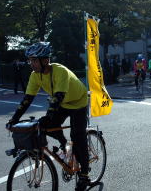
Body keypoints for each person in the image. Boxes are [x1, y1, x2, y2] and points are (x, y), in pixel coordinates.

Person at [6, 42, 90, 191]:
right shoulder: (35, 75)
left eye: (34, 60)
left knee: (78, 136)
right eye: (30, 60)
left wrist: (49, 115)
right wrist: (15, 118)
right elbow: (27, 99)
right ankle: (65, 146)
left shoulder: (60, 71)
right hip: (63, 104)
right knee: (45, 126)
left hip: (78, 102)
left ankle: (84, 175)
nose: (31, 63)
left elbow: (58, 96)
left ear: (45, 60)